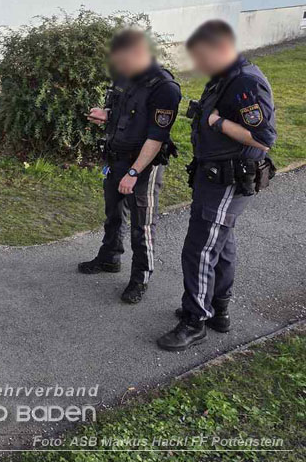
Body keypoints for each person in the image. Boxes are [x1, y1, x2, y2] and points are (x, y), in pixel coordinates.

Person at [158, 20, 277, 351]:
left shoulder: (246, 84)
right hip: (213, 176)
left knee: (200, 248)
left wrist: (219, 123)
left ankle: (194, 322)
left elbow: (264, 138)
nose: (199, 64)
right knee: (221, 244)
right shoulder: (224, 78)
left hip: (228, 179)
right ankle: (217, 309)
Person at [79, 30, 182, 304]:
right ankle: (110, 257)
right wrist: (107, 115)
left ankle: (140, 278)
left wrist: (134, 173)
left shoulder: (165, 88)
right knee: (113, 214)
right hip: (116, 158)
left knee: (142, 225)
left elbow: (156, 137)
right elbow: (126, 113)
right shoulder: (125, 77)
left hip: (143, 165)